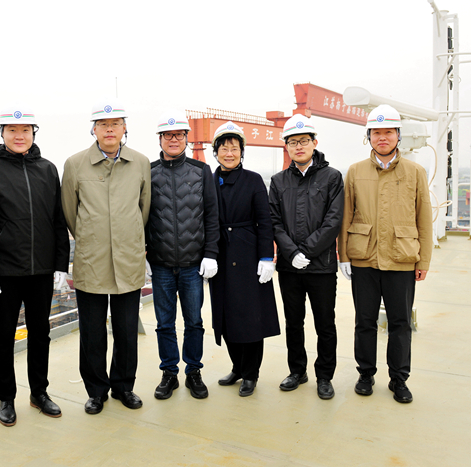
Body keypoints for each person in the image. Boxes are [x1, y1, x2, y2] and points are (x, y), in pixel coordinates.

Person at [0, 105, 70, 425]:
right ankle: (6, 398)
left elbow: (58, 220)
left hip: (41, 270)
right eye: (13, 131)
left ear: (33, 133)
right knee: (3, 337)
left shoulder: (48, 169)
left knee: (40, 333)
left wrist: (61, 264)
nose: (20, 136)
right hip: (4, 272)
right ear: (2, 133)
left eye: (26, 131)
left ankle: (39, 392)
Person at [61, 98, 151, 414]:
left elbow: (144, 208)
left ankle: (124, 387)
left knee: (126, 330)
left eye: (115, 124)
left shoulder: (140, 163)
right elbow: (70, 212)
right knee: (92, 332)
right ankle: (96, 391)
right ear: (94, 129)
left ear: (125, 128)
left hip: (128, 260)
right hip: (91, 261)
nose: (109, 129)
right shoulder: (75, 164)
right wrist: (92, 237)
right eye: (103, 124)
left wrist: (127, 237)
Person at [338, 104, 433, 404]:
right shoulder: (355, 172)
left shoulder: (415, 172)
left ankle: (399, 379)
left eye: (388, 132)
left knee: (400, 323)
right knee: (364, 321)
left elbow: (424, 219)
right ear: (368, 136)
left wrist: (424, 260)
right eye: (376, 132)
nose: (382, 138)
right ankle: (365, 374)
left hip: (401, 258)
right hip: (364, 258)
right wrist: (344, 256)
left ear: (398, 136)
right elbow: (346, 215)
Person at [146, 110, 220, 400]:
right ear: (160, 139)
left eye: (178, 134)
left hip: (192, 264)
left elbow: (212, 215)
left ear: (187, 138)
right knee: (164, 324)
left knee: (194, 323)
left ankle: (193, 372)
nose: (173, 139)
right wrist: (144, 256)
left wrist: (210, 253)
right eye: (168, 135)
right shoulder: (148, 172)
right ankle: (169, 373)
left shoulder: (201, 171)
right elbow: (141, 216)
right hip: (161, 264)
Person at [268, 114, 344, 400]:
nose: (298, 146)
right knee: (293, 322)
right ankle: (297, 371)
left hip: (321, 266)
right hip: (290, 269)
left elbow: (333, 221)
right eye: (292, 142)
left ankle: (324, 376)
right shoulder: (278, 181)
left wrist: (306, 251)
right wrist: (291, 253)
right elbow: (274, 221)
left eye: (303, 141)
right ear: (286, 146)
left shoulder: (332, 177)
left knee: (325, 324)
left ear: (314, 142)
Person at [208, 121, 280, 397]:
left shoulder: (253, 180)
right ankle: (237, 367)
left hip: (248, 256)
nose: (229, 153)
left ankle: (251, 373)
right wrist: (207, 254)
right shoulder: (209, 180)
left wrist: (266, 257)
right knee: (226, 316)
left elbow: (265, 220)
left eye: (234, 148)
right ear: (215, 151)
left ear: (242, 152)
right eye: (224, 148)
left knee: (250, 317)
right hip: (220, 255)